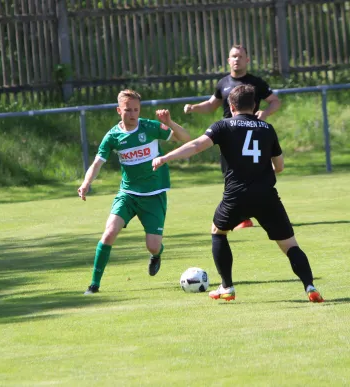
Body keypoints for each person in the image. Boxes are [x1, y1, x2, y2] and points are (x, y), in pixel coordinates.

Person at [152, 85, 323, 303]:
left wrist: (166, 158)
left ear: (231, 106)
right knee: (290, 245)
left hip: (237, 195)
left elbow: (195, 146)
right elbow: (279, 166)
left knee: (218, 231)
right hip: (266, 196)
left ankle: (227, 287)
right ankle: (310, 286)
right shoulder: (267, 128)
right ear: (254, 105)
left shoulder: (223, 126)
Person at [78, 89, 191, 295]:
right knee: (109, 233)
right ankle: (94, 285)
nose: (132, 114)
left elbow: (186, 138)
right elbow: (97, 163)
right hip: (128, 194)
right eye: (128, 110)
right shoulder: (113, 136)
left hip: (154, 194)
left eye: (136, 110)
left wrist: (170, 122)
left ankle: (157, 254)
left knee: (153, 246)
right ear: (118, 110)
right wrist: (86, 183)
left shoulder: (150, 127)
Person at [183, 44, 282, 230]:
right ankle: (242, 215)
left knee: (254, 171)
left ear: (247, 60)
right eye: (233, 56)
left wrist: (266, 113)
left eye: (240, 56)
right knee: (230, 174)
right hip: (229, 136)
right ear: (228, 60)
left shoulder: (256, 83)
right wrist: (194, 107)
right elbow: (212, 105)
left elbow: (275, 101)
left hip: (251, 133)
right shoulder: (223, 83)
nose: (236, 59)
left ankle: (252, 213)